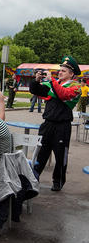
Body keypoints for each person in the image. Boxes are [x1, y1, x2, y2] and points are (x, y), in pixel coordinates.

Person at [31, 56, 81, 191]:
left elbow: (63, 94)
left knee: (60, 155)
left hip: (62, 126)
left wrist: (52, 80)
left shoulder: (75, 87)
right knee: (41, 153)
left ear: (72, 74)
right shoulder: (54, 84)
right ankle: (33, 177)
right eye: (60, 70)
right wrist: (36, 80)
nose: (60, 72)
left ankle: (58, 180)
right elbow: (36, 91)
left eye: (64, 71)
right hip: (48, 124)